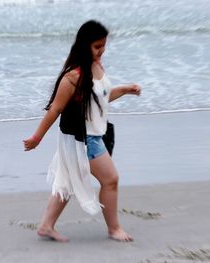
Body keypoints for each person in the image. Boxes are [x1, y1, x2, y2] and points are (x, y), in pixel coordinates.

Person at [23, 20, 141, 243]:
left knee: (67, 180)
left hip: (97, 134)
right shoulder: (73, 76)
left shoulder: (97, 67)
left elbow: (101, 97)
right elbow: (55, 109)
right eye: (97, 46)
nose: (101, 51)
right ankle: (114, 229)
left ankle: (46, 226)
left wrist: (124, 90)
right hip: (83, 139)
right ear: (84, 45)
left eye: (104, 45)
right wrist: (36, 138)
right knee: (111, 180)